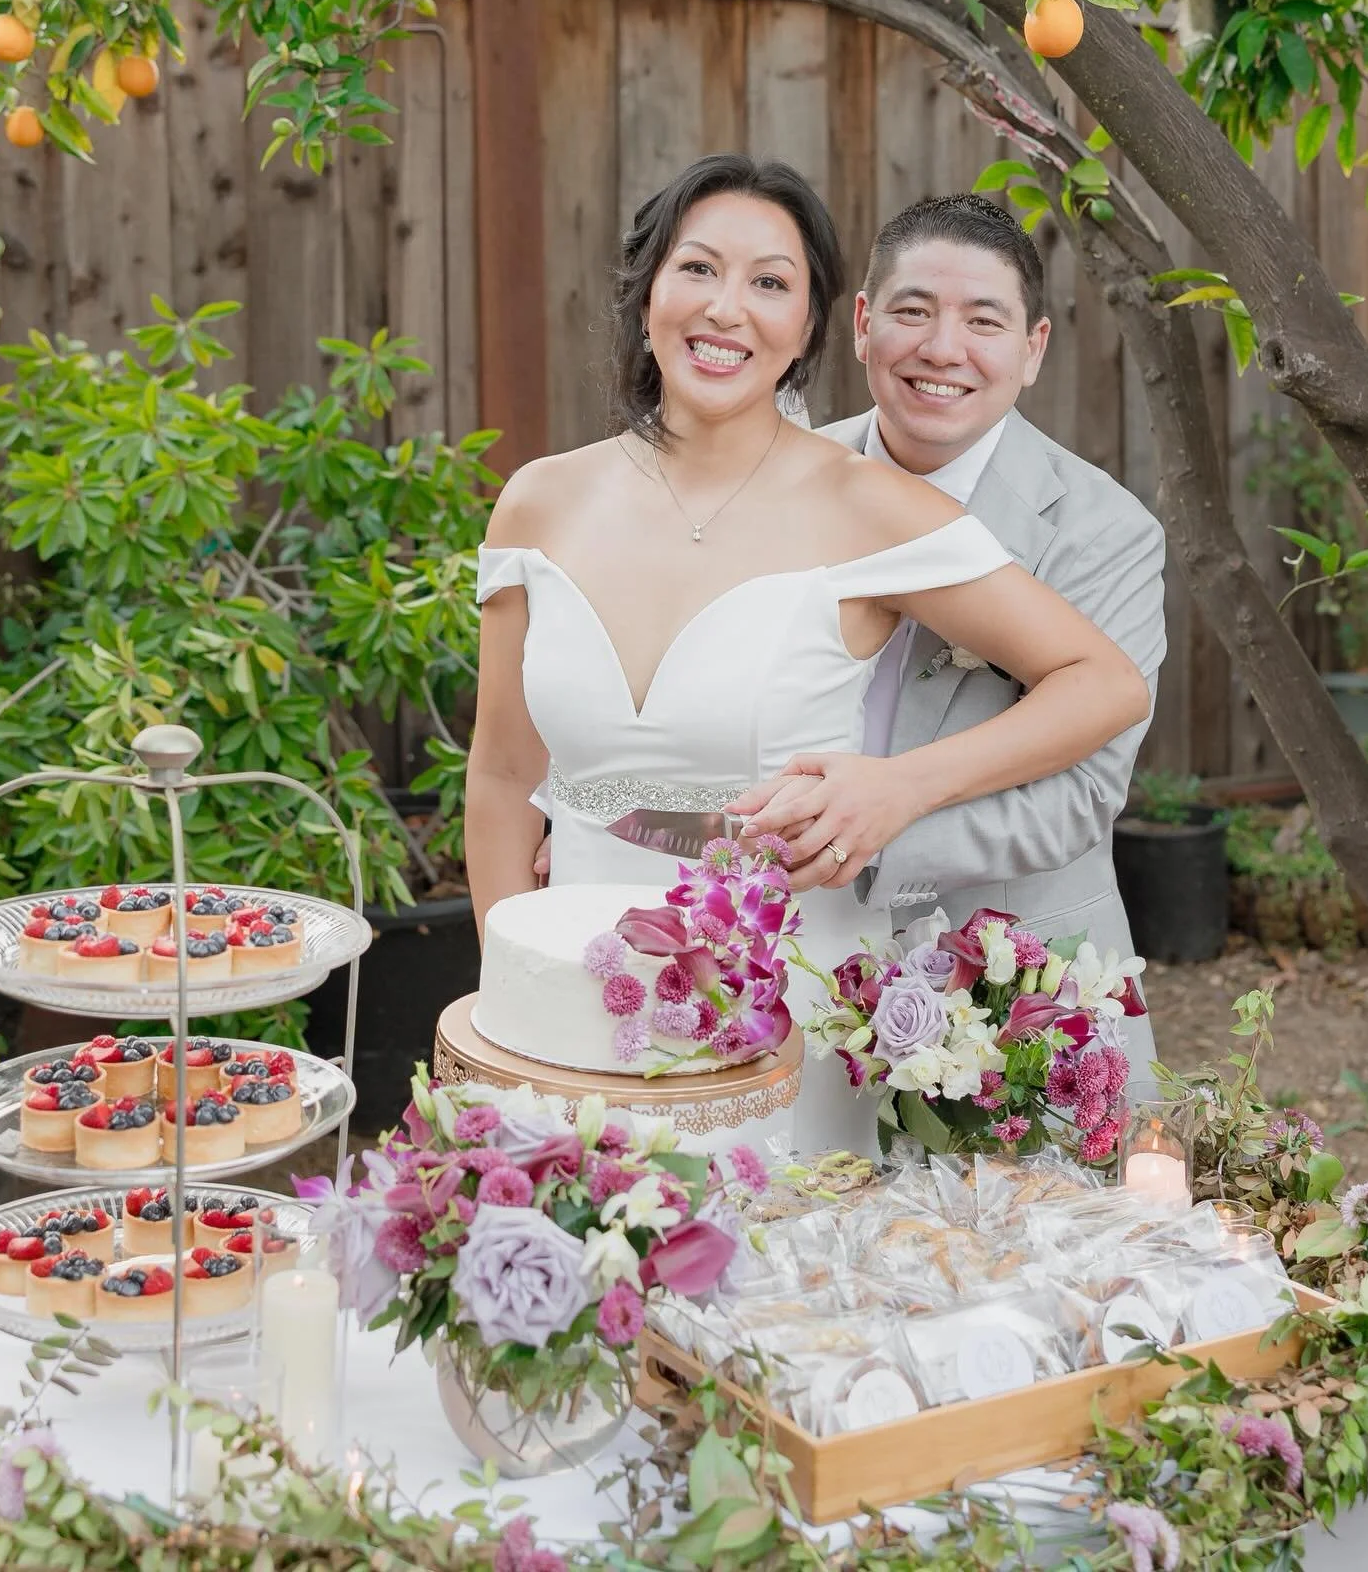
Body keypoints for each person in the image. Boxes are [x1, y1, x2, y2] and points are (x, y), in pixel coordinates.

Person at [464, 154, 1151, 1155]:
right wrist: (518, 999)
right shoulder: (539, 501)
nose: (727, 309)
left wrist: (901, 787)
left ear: (812, 330)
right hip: (575, 995)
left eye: (771, 283)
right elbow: (501, 776)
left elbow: (1104, 683)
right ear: (647, 289)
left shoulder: (866, 505)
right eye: (697, 268)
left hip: (782, 999)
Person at [729, 194, 1165, 1075]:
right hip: (780, 963)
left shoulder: (1103, 532)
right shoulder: (771, 481)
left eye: (984, 321)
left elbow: (1082, 794)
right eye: (913, 312)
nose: (942, 350)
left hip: (1011, 999)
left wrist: (868, 833)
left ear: (1033, 348)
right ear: (860, 324)